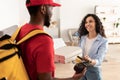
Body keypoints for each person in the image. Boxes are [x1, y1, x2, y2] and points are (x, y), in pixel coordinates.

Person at [16, 0, 86, 80]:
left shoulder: (21, 30)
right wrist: (73, 79)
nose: (52, 14)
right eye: (51, 8)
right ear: (43, 9)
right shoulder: (44, 40)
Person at [77, 14, 108, 80]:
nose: (87, 24)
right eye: (86, 22)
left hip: (93, 71)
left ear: (96, 23)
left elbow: (99, 60)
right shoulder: (82, 38)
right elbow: (78, 53)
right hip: (81, 69)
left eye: (90, 21)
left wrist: (90, 61)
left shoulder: (103, 41)